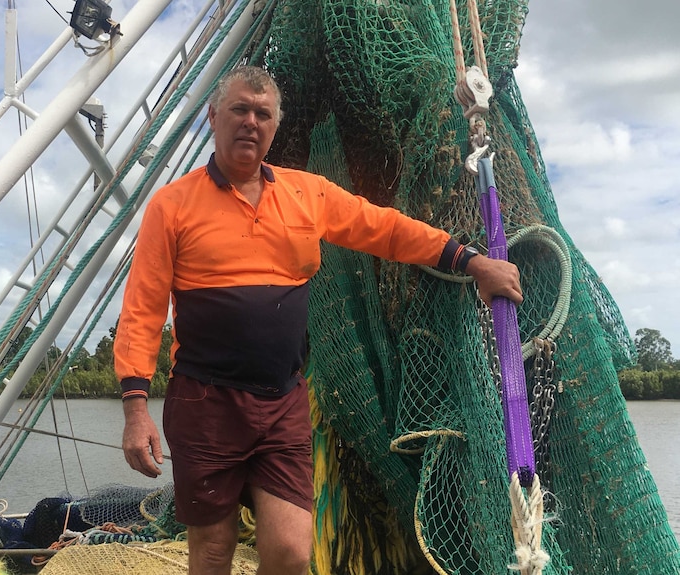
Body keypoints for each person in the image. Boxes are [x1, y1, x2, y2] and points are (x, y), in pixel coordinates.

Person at [114, 66, 522, 575]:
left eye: (263, 114)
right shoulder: (171, 205)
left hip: (283, 401)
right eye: (239, 109)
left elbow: (387, 230)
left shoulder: (306, 193)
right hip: (205, 402)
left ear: (274, 127)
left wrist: (470, 261)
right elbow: (142, 309)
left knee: (290, 553)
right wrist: (135, 408)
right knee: (214, 551)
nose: (250, 122)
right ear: (214, 116)